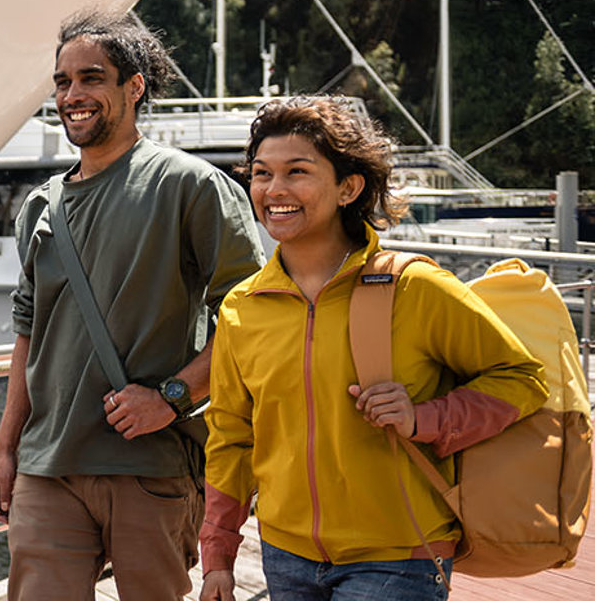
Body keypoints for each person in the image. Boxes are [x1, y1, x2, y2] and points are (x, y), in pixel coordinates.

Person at [198, 97, 546, 601]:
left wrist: (424, 418)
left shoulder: (416, 287)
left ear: (348, 187)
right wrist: (218, 558)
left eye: (297, 171)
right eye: (260, 173)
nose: (274, 190)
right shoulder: (242, 307)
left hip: (398, 555)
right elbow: (230, 439)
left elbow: (523, 378)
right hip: (284, 555)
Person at [0, 10, 265, 600]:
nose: (72, 95)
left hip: (152, 465)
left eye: (91, 78)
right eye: (62, 82)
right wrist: (6, 449)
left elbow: (252, 319)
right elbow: (28, 335)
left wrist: (173, 397)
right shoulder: (41, 205)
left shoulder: (190, 186)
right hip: (47, 465)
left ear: (134, 86)